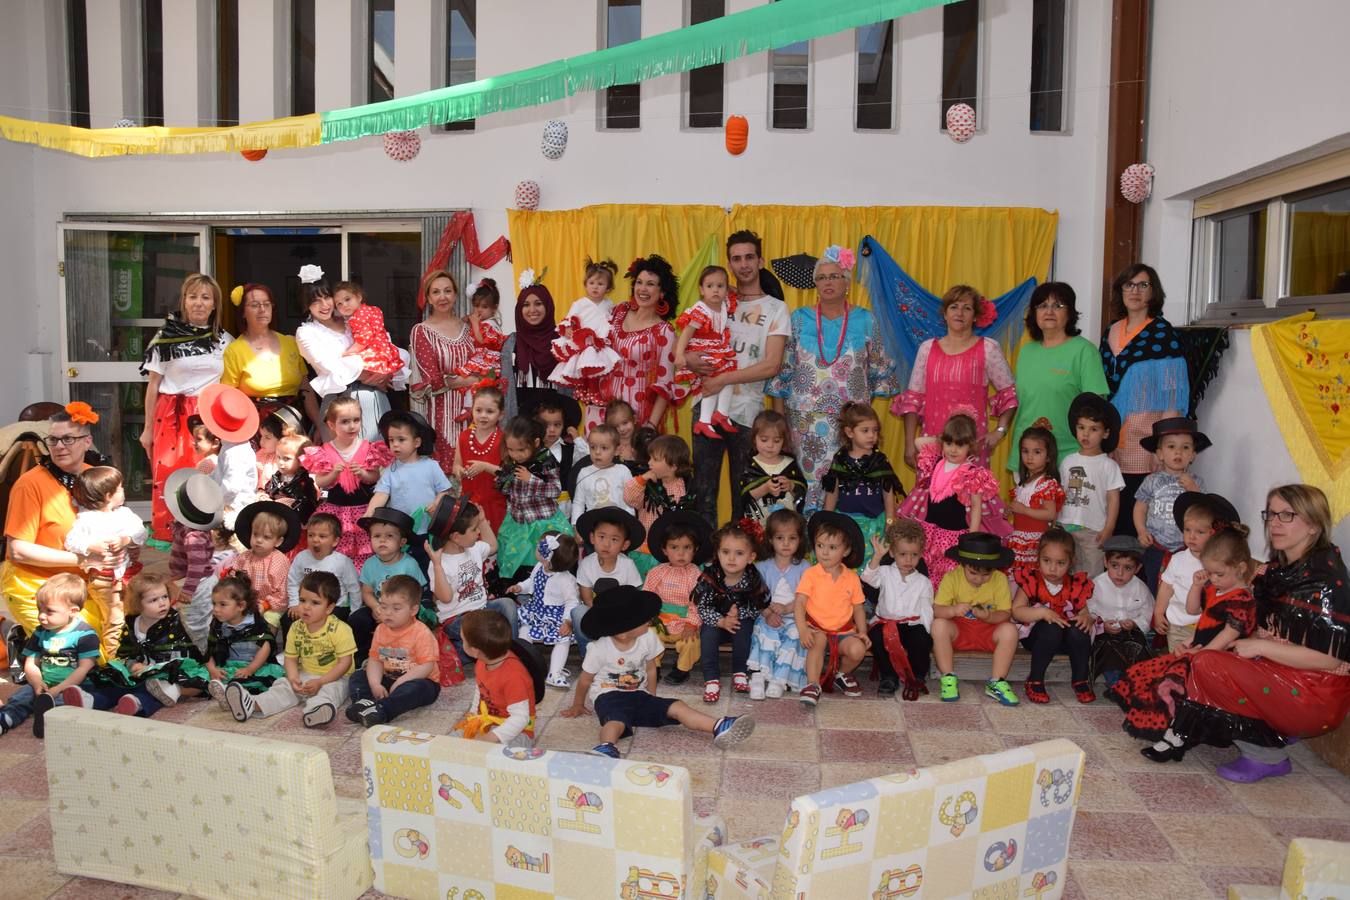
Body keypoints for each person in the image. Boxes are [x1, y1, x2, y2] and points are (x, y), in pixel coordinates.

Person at [1168, 485, 1350, 783]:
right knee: (1199, 657)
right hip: (1285, 674)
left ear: (1314, 526)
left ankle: (1267, 756)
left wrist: (1256, 648)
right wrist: (1199, 638)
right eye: (1272, 514)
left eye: (1288, 515)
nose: (1275, 522)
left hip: (1315, 693)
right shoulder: (1281, 569)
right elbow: (1243, 618)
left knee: (1206, 664)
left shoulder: (1324, 579)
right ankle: (1274, 729)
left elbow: (1329, 660)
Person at [1111, 523, 1258, 762]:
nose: (1214, 579)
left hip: (1222, 660)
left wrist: (1201, 655)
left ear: (1241, 568)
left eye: (1219, 574)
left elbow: (1228, 635)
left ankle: (1174, 737)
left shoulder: (1241, 599)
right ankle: (1172, 732)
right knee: (1155, 677)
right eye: (1209, 573)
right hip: (1203, 652)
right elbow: (1197, 614)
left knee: (1177, 688)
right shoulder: (1216, 589)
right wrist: (1197, 589)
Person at [559, 586, 755, 759]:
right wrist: (578, 705)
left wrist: (651, 697)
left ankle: (718, 726)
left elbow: (652, 668)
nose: (650, 620)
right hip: (608, 696)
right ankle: (606, 747)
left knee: (677, 706)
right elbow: (585, 680)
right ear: (623, 631)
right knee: (616, 720)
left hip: (639, 695)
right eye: (644, 619)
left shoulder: (648, 637)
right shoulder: (599, 649)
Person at [768, 246, 897, 510]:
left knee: (846, 487)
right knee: (807, 487)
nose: (828, 282)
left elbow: (876, 373)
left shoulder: (865, 319)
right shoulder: (799, 319)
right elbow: (783, 372)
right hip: (804, 424)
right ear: (815, 284)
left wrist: (859, 418)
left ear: (847, 282)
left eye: (835, 276)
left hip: (850, 426)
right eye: (822, 277)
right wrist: (781, 424)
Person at [689, 230, 789, 524]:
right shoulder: (715, 301)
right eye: (736, 258)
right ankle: (705, 562)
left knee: (743, 495)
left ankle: (740, 565)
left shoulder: (776, 308)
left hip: (748, 415)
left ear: (760, 260)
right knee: (703, 493)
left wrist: (725, 379)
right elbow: (687, 341)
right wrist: (689, 358)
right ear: (729, 263)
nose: (743, 264)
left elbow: (771, 365)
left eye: (749, 257)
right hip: (705, 404)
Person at [1099, 265, 1190, 538]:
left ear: (1153, 293)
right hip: (1114, 438)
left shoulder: (1163, 334)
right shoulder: (1111, 331)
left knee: (1137, 516)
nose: (1135, 292)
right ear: (1120, 291)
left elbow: (1173, 398)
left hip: (1145, 439)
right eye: (1129, 285)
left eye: (1143, 285)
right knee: (1112, 512)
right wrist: (1106, 438)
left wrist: (1160, 447)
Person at [140, 273, 232, 541]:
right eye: (193, 297)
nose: (199, 303)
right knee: (170, 475)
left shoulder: (224, 340)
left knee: (206, 472)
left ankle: (204, 535)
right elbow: (152, 386)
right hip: (170, 414)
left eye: (205, 297)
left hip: (207, 417)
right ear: (184, 301)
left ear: (214, 304)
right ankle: (172, 538)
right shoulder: (165, 338)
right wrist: (147, 429)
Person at [893, 284, 1017, 471]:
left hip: (972, 448)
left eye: (967, 308)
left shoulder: (988, 349)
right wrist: (910, 444)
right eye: (954, 307)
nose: (960, 313)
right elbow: (913, 400)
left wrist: (999, 431)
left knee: (971, 499)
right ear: (945, 314)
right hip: (933, 448)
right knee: (934, 498)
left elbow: (1009, 394)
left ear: (975, 316)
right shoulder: (927, 349)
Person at [224, 571, 355, 728]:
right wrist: (293, 678)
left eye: (315, 603)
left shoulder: (340, 629)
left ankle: (317, 711)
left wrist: (321, 681)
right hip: (304, 674)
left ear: (329, 608)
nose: (306, 607)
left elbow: (344, 664)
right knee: (283, 686)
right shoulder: (296, 627)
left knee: (331, 691)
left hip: (335, 677)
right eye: (302, 600)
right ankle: (252, 704)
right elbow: (291, 658)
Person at [63, 572, 204, 717]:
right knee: (118, 683)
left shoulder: (173, 623)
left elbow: (181, 655)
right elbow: (125, 652)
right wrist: (132, 664)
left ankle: (138, 704)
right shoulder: (132, 623)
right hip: (139, 672)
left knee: (155, 690)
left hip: (165, 674)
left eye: (165, 597)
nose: (162, 603)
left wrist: (154, 669)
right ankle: (92, 700)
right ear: (138, 604)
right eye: (153, 600)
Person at [899, 412, 1010, 589]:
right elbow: (918, 442)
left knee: (948, 576)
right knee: (924, 572)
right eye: (949, 443)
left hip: (954, 536)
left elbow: (975, 507)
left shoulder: (972, 472)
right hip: (929, 532)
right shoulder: (936, 462)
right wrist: (943, 439)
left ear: (971, 446)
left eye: (960, 445)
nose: (953, 449)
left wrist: (971, 539)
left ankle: (945, 607)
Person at [1006, 282, 1108, 472]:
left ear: (1070, 313)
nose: (1049, 311)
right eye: (1042, 305)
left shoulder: (1084, 351)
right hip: (1028, 456)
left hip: (1069, 457)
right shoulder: (1027, 351)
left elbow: (1097, 407)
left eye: (1058, 305)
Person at [295, 268, 404, 444]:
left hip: (374, 393)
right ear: (307, 305)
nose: (324, 305)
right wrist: (372, 373)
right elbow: (330, 366)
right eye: (315, 301)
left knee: (378, 455)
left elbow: (382, 343)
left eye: (327, 297)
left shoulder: (351, 319)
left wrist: (386, 371)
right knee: (345, 462)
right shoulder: (306, 332)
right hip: (340, 399)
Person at [0, 573, 99, 738]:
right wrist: (37, 683)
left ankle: (52, 721)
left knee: (68, 701)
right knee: (22, 696)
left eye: (49, 611)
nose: (41, 616)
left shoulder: (85, 634)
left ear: (72, 611)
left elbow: (83, 669)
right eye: (39, 609)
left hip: (75, 685)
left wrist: (59, 689)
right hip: (45, 684)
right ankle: (6, 719)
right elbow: (31, 663)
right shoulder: (40, 632)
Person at [302, 395, 391, 573]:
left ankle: (362, 584)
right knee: (337, 547)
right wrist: (334, 473)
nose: (352, 426)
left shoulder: (369, 448)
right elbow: (320, 481)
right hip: (336, 509)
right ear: (332, 425)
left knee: (364, 549)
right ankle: (338, 583)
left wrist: (363, 474)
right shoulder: (325, 450)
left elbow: (374, 477)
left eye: (356, 420)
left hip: (363, 508)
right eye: (345, 422)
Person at [588, 255, 679, 431]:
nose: (643, 289)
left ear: (662, 292)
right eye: (639, 282)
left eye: (650, 284)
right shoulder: (618, 311)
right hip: (600, 409)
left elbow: (665, 384)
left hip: (634, 417)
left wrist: (650, 426)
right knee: (597, 457)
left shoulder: (664, 331)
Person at [65, 466, 147, 658]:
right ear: (109, 495)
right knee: (114, 620)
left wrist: (126, 540)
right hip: (103, 580)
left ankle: (137, 651)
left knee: (135, 612)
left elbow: (141, 533)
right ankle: (115, 660)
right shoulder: (86, 519)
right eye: (120, 488)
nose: (123, 491)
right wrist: (91, 546)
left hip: (129, 574)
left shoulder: (125, 514)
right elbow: (71, 541)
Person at [930, 532, 1020, 707]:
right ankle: (948, 677)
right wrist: (953, 609)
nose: (979, 579)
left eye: (986, 575)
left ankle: (997, 681)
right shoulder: (951, 577)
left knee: (1010, 630)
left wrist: (989, 616)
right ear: (962, 564)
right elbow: (937, 610)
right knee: (939, 625)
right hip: (960, 631)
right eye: (973, 573)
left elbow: (1005, 613)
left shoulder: (1000, 579)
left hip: (989, 630)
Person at [1011, 528, 1096, 705]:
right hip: (1037, 638)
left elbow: (1083, 611)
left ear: (1071, 562)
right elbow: (1017, 611)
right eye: (1047, 561)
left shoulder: (1075, 584)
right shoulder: (1032, 580)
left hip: (1065, 641)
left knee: (1079, 629)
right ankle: (1035, 679)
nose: (1052, 568)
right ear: (1038, 558)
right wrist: (1041, 612)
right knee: (1051, 628)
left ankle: (1080, 679)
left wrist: (1087, 618)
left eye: (1060, 563)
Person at [795, 511, 871, 706]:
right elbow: (800, 603)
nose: (824, 552)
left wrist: (862, 632)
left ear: (845, 551)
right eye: (820, 546)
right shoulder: (811, 574)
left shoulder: (852, 577)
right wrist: (803, 628)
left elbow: (858, 608)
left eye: (832, 547)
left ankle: (842, 674)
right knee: (817, 641)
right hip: (816, 629)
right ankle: (812, 685)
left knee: (857, 650)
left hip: (843, 632)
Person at [345, 574, 440, 727]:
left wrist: (402, 681)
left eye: (396, 608)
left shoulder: (421, 632)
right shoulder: (381, 630)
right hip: (389, 677)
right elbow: (375, 659)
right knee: (358, 676)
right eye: (383, 606)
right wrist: (375, 683)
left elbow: (426, 666)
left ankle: (383, 709)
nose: (388, 613)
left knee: (419, 689)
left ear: (413, 610)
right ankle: (363, 703)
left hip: (419, 680)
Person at [408, 269, 477, 470]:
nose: (442, 297)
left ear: (455, 295)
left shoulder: (469, 326)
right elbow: (433, 380)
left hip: (478, 415)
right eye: (436, 292)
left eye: (447, 291)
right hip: (444, 417)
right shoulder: (422, 331)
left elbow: (487, 363)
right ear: (428, 298)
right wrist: (470, 380)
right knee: (448, 479)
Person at [368, 409, 451, 572]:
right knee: (404, 565)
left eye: (401, 439)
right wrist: (370, 513)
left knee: (427, 565)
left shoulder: (431, 466)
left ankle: (427, 594)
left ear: (417, 442)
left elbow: (444, 490)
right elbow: (381, 495)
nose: (395, 445)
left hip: (427, 528)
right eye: (391, 440)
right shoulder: (390, 471)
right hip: (401, 531)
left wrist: (437, 503)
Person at [821, 402, 902, 568]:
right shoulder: (840, 461)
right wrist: (826, 522)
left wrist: (890, 522)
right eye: (865, 431)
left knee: (872, 563)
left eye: (875, 430)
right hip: (846, 524)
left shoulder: (879, 461)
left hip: (875, 526)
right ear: (850, 432)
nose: (872, 435)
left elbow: (888, 495)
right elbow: (832, 493)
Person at [694, 524, 768, 704]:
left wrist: (737, 614)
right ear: (717, 554)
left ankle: (740, 671)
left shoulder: (752, 577)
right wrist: (721, 621)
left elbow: (758, 605)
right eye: (725, 552)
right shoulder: (711, 576)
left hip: (739, 622)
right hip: (716, 622)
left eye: (739, 553)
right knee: (708, 634)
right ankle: (711, 678)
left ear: (751, 557)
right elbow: (702, 607)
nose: (731, 558)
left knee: (745, 630)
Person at [1152, 493, 1234, 653]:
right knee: (1178, 662)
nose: (1191, 536)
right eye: (1187, 530)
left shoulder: (1219, 563)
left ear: (1213, 534)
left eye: (1200, 532)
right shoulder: (1177, 559)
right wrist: (1158, 612)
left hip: (1207, 627)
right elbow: (1167, 587)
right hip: (1178, 625)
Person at [1133, 418, 1208, 593]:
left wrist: (1193, 490)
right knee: (1154, 586)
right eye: (1171, 447)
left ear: (1193, 455)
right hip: (1156, 546)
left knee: (1182, 587)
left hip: (1186, 548)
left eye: (1186, 447)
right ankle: (1156, 617)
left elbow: (1203, 513)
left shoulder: (1196, 482)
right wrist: (1141, 530)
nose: (1178, 452)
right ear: (1160, 454)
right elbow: (1140, 507)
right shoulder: (1152, 480)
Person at [863, 518, 934, 701]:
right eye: (903, 554)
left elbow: (926, 609)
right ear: (893, 553)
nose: (908, 560)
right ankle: (889, 676)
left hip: (911, 623)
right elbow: (868, 578)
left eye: (914, 555)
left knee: (921, 639)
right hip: (886, 623)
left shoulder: (924, 582)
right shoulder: (885, 572)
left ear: (921, 555)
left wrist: (926, 631)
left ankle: (917, 675)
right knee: (877, 636)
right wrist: (877, 557)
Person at [494, 416, 571, 580]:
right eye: (511, 449)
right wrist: (503, 480)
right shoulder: (511, 460)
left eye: (521, 450)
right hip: (517, 523)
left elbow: (555, 490)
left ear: (535, 443)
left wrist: (531, 479)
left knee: (541, 562)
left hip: (542, 522)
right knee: (516, 565)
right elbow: (504, 489)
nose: (516, 455)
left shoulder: (546, 459)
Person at [454, 611, 546, 746]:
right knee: (450, 741)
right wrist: (472, 713)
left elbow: (520, 718)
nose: (462, 642)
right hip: (486, 722)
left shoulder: (514, 676)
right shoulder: (482, 661)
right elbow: (481, 688)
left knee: (491, 754)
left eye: (463, 640)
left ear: (474, 651)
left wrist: (491, 737)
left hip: (517, 731)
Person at [1058, 393, 1124, 577]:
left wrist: (1109, 528)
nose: (1085, 434)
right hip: (1066, 526)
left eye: (1093, 429)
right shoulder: (1068, 461)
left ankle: (1089, 606)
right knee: (1064, 572)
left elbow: (1113, 499)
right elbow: (1061, 493)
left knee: (1090, 576)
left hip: (1093, 531)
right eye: (1081, 427)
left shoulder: (1108, 465)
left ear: (1106, 433)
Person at [747, 510, 810, 699]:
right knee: (763, 630)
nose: (786, 543)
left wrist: (786, 609)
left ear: (800, 540)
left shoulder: (805, 567)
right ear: (770, 540)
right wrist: (767, 613)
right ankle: (759, 676)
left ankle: (778, 680)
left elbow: (805, 597)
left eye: (792, 538)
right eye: (780, 538)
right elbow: (755, 596)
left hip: (794, 616)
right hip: (767, 614)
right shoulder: (761, 567)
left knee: (796, 633)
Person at [219, 282, 306, 420]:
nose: (262, 309)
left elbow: (305, 388)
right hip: (256, 425)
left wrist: (319, 424)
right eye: (254, 305)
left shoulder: (290, 342)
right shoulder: (235, 350)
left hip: (294, 425)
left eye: (267, 304)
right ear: (242, 312)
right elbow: (229, 395)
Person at [643, 510, 710, 687]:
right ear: (664, 550)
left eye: (687, 548)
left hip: (684, 622)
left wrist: (692, 623)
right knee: (648, 635)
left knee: (692, 642)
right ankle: (654, 666)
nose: (681, 553)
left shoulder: (696, 574)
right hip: (660, 621)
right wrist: (649, 616)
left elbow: (698, 601)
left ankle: (682, 669)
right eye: (674, 548)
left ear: (695, 550)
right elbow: (648, 594)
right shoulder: (657, 572)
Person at [507, 533, 581, 689]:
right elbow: (531, 582)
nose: (536, 548)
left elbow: (572, 602)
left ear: (547, 556)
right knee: (525, 633)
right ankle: (527, 666)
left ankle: (555, 672)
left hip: (557, 616)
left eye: (539, 547)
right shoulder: (539, 567)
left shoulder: (567, 581)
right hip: (536, 611)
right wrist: (520, 587)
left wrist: (567, 621)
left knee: (563, 640)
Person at [550, 259, 622, 418]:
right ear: (585, 284)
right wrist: (568, 328)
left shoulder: (609, 304)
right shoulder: (580, 303)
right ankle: (588, 396)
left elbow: (612, 321)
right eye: (592, 282)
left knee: (601, 372)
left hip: (600, 345)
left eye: (600, 283)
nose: (595, 286)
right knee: (586, 371)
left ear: (608, 288)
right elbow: (568, 319)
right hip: (583, 345)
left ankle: (601, 396)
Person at [675, 266, 740, 440]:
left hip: (718, 347)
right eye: (710, 286)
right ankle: (704, 421)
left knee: (729, 376)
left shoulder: (724, 304)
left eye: (720, 286)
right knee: (712, 381)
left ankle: (721, 413)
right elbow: (686, 333)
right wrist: (680, 354)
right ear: (701, 290)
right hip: (702, 348)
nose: (715, 290)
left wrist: (730, 288)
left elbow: (734, 293)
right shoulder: (701, 310)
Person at [573, 507, 646, 660]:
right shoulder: (586, 564)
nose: (606, 544)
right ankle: (589, 656)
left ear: (624, 545)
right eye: (601, 537)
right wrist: (601, 617)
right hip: (595, 611)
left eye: (614, 539)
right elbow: (587, 599)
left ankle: (620, 656)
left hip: (620, 613)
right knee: (578, 612)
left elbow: (631, 598)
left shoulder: (627, 565)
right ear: (592, 538)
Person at [202, 572, 284, 707]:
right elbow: (208, 649)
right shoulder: (218, 624)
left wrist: (250, 669)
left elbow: (266, 645)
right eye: (214, 603)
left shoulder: (254, 623)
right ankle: (226, 692)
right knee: (201, 676)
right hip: (228, 667)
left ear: (241, 606)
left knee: (262, 681)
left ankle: (234, 696)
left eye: (222, 604)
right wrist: (212, 669)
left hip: (253, 667)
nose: (216, 609)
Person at [622, 434, 695, 575]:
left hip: (673, 553)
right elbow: (629, 498)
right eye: (650, 458)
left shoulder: (685, 487)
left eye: (655, 459)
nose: (649, 463)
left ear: (673, 466)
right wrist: (641, 480)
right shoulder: (647, 484)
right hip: (646, 550)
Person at [1088, 536, 1154, 687]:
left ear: (1137, 568)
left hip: (1131, 632)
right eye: (1115, 565)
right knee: (1109, 651)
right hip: (1104, 632)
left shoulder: (1141, 588)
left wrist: (1135, 623)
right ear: (1106, 562)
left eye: (1128, 568)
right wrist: (1101, 625)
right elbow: (1089, 610)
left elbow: (1148, 612)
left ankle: (1140, 682)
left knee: (1138, 650)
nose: (1120, 573)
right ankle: (1116, 684)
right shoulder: (1096, 585)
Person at [222, 500, 300, 629]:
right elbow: (234, 580)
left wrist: (265, 605)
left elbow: (282, 593)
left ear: (278, 541)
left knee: (269, 621)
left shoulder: (279, 562)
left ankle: (267, 644)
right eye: (255, 534)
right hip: (245, 601)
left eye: (266, 537)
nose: (258, 540)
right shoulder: (244, 557)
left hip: (270, 605)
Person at [500, 276, 564, 424]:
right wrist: (509, 428)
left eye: (538, 303)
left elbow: (567, 390)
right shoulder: (511, 343)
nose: (532, 310)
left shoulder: (560, 342)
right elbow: (506, 391)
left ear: (548, 306)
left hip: (552, 429)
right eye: (526, 305)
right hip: (520, 430)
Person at [197, 383, 260, 531]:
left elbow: (232, 487)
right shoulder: (232, 446)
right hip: (230, 506)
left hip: (235, 510)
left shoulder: (235, 452)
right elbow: (220, 475)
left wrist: (211, 502)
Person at [1007, 421, 1065, 567]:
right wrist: (1013, 509)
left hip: (1035, 541)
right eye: (1025, 451)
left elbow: (1050, 513)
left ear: (1049, 456)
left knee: (1032, 578)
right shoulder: (1023, 482)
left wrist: (1024, 510)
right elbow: (1022, 508)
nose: (1030, 457)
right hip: (1019, 537)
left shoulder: (1046, 483)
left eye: (1037, 452)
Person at [449, 278, 509, 418]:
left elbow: (482, 341)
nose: (479, 310)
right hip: (479, 359)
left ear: (494, 308)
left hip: (487, 363)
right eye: (476, 306)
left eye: (484, 306)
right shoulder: (483, 323)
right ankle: (468, 407)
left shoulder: (491, 324)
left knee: (479, 386)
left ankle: (472, 408)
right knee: (471, 383)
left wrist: (475, 323)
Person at [737, 411, 807, 527]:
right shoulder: (749, 465)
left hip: (786, 527)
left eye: (776, 441)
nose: (770, 445)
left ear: (783, 440)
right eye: (764, 440)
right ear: (754, 438)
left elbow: (801, 491)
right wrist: (765, 488)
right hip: (757, 527)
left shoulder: (789, 464)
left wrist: (791, 486)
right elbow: (743, 498)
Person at [286, 514, 361, 621]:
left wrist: (354, 613)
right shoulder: (301, 557)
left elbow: (354, 589)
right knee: (287, 619)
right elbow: (293, 582)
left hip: (336, 607)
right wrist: (294, 604)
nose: (315, 540)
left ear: (335, 541)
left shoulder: (343, 562)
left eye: (322, 536)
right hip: (308, 606)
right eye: (311, 535)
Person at [455, 385, 507, 531]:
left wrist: (485, 467)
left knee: (494, 543)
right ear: (472, 410)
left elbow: (508, 474)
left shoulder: (503, 440)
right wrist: (460, 471)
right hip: (469, 503)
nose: (483, 415)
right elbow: (456, 465)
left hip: (495, 504)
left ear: (501, 414)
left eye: (490, 411)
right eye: (478, 410)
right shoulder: (464, 437)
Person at [335, 280, 403, 377]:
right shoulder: (373, 309)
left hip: (374, 353)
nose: (344, 305)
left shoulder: (358, 317)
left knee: (348, 365)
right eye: (339, 304)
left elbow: (363, 340)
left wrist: (346, 353)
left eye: (347, 299)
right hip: (385, 349)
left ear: (359, 297)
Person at [571, 424, 635, 524]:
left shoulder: (623, 471)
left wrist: (630, 523)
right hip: (593, 525)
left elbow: (630, 501)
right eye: (592, 447)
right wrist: (575, 525)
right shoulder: (584, 472)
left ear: (617, 450)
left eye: (604, 448)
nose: (597, 452)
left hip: (620, 525)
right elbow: (578, 503)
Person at [263, 433, 318, 525]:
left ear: (301, 461)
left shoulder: (304, 482)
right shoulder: (277, 476)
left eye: (286, 459)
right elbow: (268, 489)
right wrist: (264, 495)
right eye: (278, 457)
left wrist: (293, 504)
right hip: (274, 518)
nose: (280, 462)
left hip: (294, 521)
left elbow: (309, 503)